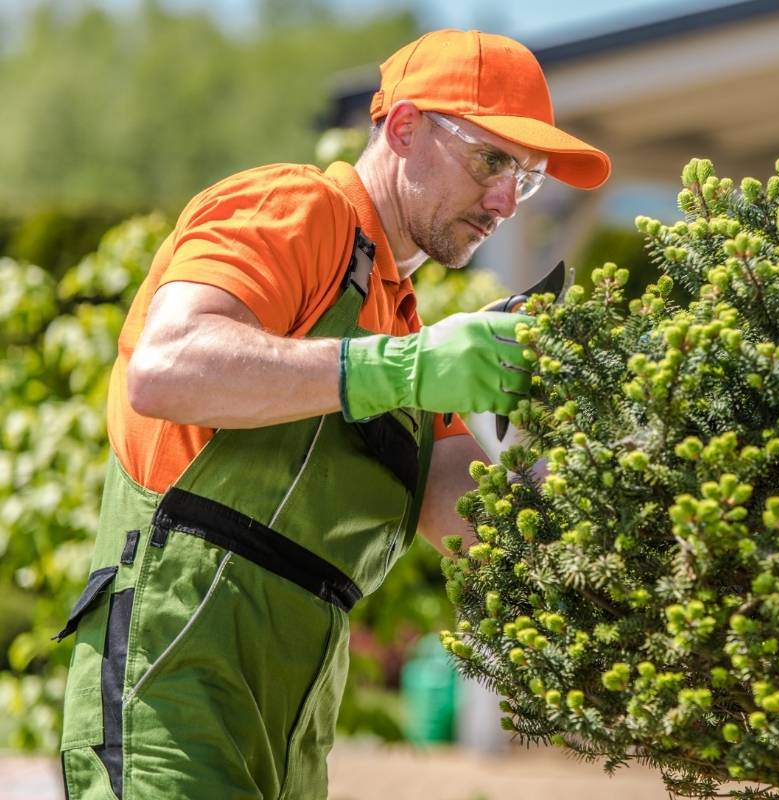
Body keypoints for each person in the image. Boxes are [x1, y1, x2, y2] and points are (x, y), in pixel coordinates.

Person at [55, 28, 610, 799]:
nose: (506, 201)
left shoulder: (406, 327)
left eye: (527, 177)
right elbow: (166, 365)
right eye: (492, 161)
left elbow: (482, 527)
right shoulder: (295, 208)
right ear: (407, 127)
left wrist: (622, 462)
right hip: (171, 685)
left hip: (295, 727)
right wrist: (406, 368)